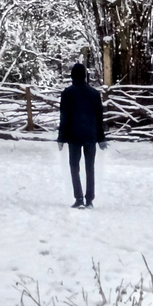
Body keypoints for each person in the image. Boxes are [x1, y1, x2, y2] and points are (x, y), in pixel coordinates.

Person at [57, 61, 105, 208]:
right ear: (85, 76)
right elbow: (99, 117)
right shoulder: (94, 94)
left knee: (74, 166)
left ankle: (78, 198)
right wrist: (101, 138)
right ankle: (89, 199)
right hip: (90, 135)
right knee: (90, 167)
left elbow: (64, 117)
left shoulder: (67, 93)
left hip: (74, 136)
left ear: (72, 76)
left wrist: (61, 137)